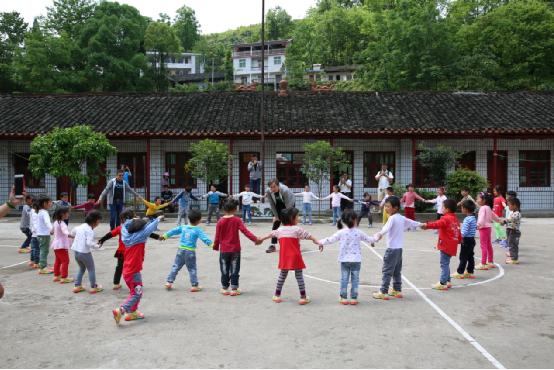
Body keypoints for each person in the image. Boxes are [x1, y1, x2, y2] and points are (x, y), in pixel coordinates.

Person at [258, 208, 322, 305]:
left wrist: (261, 238)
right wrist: (317, 241)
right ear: (291, 218)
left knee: (282, 276)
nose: (298, 218)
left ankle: (277, 295)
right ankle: (303, 297)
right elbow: (308, 235)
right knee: (299, 276)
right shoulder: (297, 229)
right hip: (296, 256)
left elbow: (270, 234)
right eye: (297, 216)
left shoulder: (280, 230)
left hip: (284, 257)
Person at [318, 210, 377, 305]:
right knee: (355, 279)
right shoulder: (359, 232)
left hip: (344, 260)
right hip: (356, 260)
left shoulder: (341, 232)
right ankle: (354, 298)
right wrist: (376, 237)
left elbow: (330, 239)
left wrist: (320, 242)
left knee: (344, 279)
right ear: (355, 220)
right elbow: (369, 239)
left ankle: (343, 298)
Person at [112, 216, 162, 324]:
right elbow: (149, 229)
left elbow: (124, 226)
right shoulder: (139, 237)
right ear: (140, 230)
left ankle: (133, 312)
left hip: (127, 271)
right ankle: (121, 310)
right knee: (137, 293)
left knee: (133, 292)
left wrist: (132, 220)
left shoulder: (126, 235)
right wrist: (158, 219)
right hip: (134, 273)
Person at [372, 196, 422, 300]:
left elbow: (384, 229)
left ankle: (383, 291)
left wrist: (376, 237)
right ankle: (397, 290)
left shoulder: (392, 218)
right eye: (385, 206)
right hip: (399, 250)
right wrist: (422, 225)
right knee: (396, 271)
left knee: (387, 271)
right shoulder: (401, 217)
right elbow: (412, 223)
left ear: (395, 208)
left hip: (391, 250)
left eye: (388, 206)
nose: (386, 208)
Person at [98, 209, 160, 290]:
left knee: (119, 267)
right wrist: (158, 237)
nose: (121, 221)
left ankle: (116, 284)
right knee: (134, 268)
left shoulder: (121, 227)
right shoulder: (137, 227)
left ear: (125, 218)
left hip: (122, 252)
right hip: (132, 252)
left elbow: (110, 234)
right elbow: (147, 233)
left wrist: (102, 240)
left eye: (122, 219)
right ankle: (135, 283)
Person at [213, 199, 259, 295]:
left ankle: (224, 288)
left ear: (224, 209)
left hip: (224, 250)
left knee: (224, 269)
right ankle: (234, 288)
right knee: (235, 269)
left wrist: (216, 246)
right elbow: (245, 232)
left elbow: (217, 236)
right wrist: (255, 239)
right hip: (235, 250)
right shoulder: (237, 220)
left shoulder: (220, 221)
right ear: (235, 209)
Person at [161, 209, 212, 292]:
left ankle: (169, 282)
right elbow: (205, 238)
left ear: (188, 218)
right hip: (190, 252)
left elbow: (174, 231)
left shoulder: (183, 227)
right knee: (192, 269)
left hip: (180, 250)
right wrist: (212, 245)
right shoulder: (197, 229)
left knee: (176, 266)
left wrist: (165, 236)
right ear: (199, 220)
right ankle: (194, 285)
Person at [422, 199, 462, 290]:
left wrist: (427, 225)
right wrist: (459, 240)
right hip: (452, 245)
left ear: (447, 209)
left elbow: (437, 224)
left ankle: (442, 283)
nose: (441, 208)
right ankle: (448, 281)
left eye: (443, 207)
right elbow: (458, 231)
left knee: (444, 264)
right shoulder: (455, 219)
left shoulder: (445, 218)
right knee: (446, 263)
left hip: (446, 245)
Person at [71, 211, 103, 294]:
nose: (99, 223)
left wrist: (79, 238)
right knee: (91, 269)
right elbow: (89, 243)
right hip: (84, 252)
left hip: (76, 252)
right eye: (99, 221)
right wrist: (97, 246)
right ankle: (93, 287)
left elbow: (72, 232)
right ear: (94, 221)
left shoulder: (80, 226)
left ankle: (77, 286)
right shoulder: (90, 230)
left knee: (81, 268)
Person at [264, 179, 295, 253]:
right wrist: (276, 216)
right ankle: (273, 245)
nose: (272, 189)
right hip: (278, 203)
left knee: (289, 224)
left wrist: (286, 218)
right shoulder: (269, 191)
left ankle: (292, 244)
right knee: (276, 223)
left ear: (278, 185)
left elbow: (288, 206)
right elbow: (272, 204)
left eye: (274, 187)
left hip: (289, 203)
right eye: (271, 187)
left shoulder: (285, 190)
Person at [475, 192, 501, 270]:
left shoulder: (483, 208)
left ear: (484, 200)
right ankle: (490, 262)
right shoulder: (488, 207)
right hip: (488, 228)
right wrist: (499, 220)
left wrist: (478, 225)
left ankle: (483, 263)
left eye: (478, 198)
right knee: (488, 245)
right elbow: (494, 216)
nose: (477, 200)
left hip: (483, 228)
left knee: (483, 246)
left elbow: (481, 219)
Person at [451, 200, 477, 280]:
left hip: (466, 240)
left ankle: (460, 272)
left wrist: (458, 237)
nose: (461, 209)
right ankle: (469, 271)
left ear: (466, 209)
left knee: (463, 256)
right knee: (470, 256)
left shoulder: (467, 219)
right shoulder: (473, 218)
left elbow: (464, 232)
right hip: (472, 239)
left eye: (462, 208)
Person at [51, 207, 73, 284]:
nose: (68, 214)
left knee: (58, 260)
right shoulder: (62, 223)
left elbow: (51, 231)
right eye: (67, 213)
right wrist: (72, 236)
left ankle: (57, 276)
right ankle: (64, 277)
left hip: (56, 245)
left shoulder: (56, 222)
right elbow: (65, 232)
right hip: (61, 245)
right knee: (65, 261)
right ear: (62, 214)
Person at [36, 195, 53, 275]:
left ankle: (43, 265)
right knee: (44, 250)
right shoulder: (44, 212)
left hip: (41, 234)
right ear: (44, 203)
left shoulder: (40, 212)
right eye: (49, 202)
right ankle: (43, 267)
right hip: (44, 235)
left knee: (43, 250)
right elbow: (47, 222)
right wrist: (51, 229)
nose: (51, 203)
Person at [503, 197, 521, 265]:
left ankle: (514, 259)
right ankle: (512, 256)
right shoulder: (513, 212)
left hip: (514, 232)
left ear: (515, 205)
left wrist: (504, 221)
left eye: (509, 204)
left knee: (513, 245)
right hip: (510, 231)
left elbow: (511, 220)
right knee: (510, 244)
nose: (508, 206)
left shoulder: (517, 213)